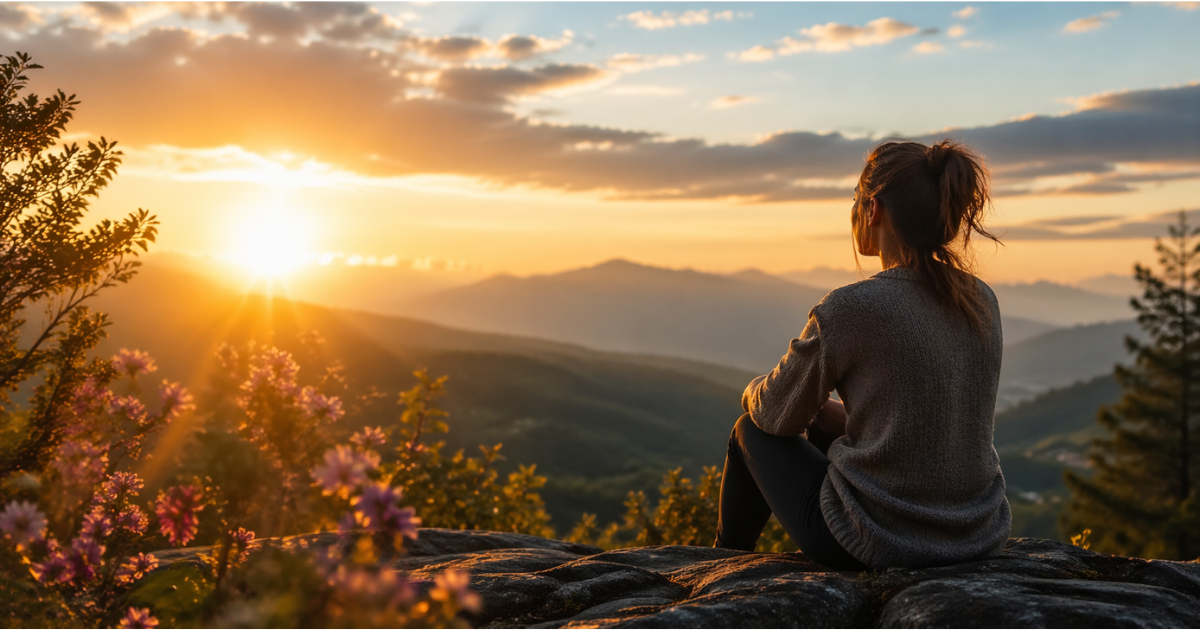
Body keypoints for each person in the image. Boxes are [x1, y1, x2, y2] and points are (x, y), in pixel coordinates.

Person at [712, 139, 1011, 570]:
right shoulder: (981, 299)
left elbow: (774, 416)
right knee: (817, 425)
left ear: (873, 209)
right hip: (976, 535)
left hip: (878, 540)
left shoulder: (852, 308)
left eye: (855, 199)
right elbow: (929, 424)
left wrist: (753, 390)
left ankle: (720, 569)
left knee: (749, 432)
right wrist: (840, 419)